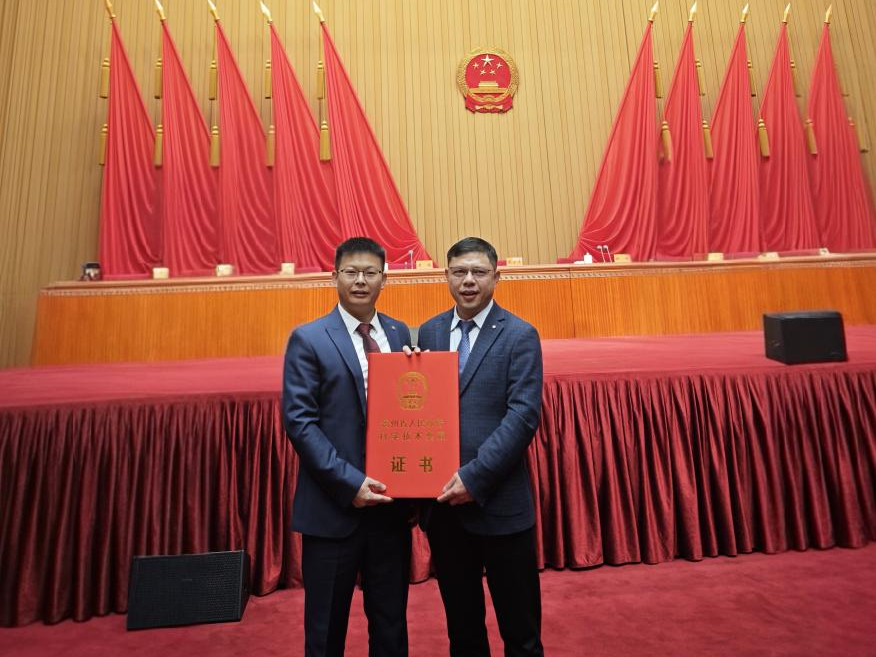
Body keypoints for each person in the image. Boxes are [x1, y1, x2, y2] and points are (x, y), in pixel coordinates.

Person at [282, 237, 413, 657]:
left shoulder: (399, 333)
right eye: (351, 272)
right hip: (333, 508)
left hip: (389, 508)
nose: (360, 281)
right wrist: (350, 483)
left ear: (384, 279)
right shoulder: (308, 339)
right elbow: (300, 423)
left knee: (391, 627)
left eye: (370, 273)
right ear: (334, 276)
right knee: (325, 633)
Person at [416, 237, 545, 657]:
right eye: (459, 272)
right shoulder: (430, 332)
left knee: (521, 633)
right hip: (445, 509)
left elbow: (522, 417)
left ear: (496, 277)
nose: (468, 280)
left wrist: (474, 478)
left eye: (478, 272)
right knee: (463, 631)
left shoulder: (520, 335)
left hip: (500, 504)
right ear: (446, 276)